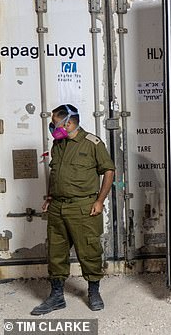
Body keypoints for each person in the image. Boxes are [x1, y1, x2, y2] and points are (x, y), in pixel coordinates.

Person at [31, 104, 115, 315]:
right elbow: (56, 173)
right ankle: (57, 296)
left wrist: (99, 200)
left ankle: (94, 292)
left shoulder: (92, 143)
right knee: (56, 252)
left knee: (89, 251)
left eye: (54, 122)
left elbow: (109, 170)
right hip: (58, 207)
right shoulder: (57, 145)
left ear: (67, 123)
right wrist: (50, 197)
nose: (52, 126)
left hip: (83, 207)